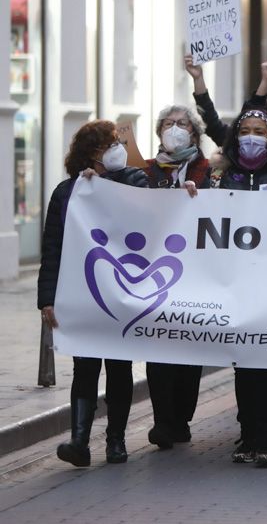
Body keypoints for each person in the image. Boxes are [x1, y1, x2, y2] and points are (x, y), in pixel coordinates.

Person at [193, 104, 267, 468]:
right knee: (244, 363)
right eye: (247, 129)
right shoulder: (217, 178)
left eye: (261, 131)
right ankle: (247, 434)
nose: (252, 137)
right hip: (236, 284)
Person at [39, 120, 150, 467]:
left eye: (119, 142)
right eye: (110, 144)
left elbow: (150, 204)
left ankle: (115, 442)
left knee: (119, 368)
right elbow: (53, 247)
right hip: (83, 293)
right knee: (84, 368)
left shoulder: (133, 181)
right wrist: (46, 298)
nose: (118, 148)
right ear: (91, 152)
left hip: (121, 294)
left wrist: (109, 184)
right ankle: (79, 442)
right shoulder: (67, 192)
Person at [142, 105, 211, 450]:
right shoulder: (145, 171)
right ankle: (162, 421)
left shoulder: (207, 170)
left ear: (194, 134)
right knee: (158, 346)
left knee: (188, 349)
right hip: (155, 272)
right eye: (168, 124)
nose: (174, 128)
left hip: (195, 272)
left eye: (182, 123)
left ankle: (181, 417)